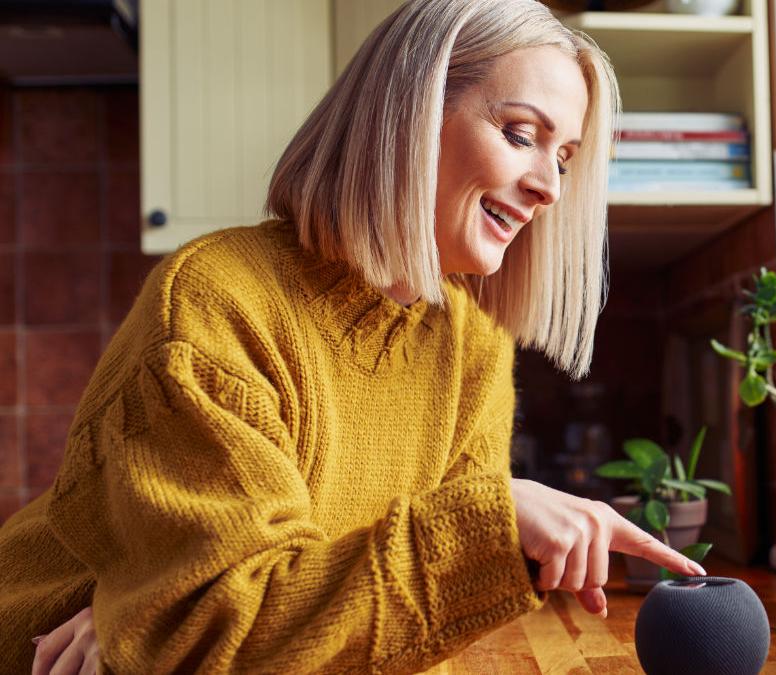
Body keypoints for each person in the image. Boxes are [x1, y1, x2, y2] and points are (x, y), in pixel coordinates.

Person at [0, 0, 707, 672]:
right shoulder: (219, 299)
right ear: (409, 114)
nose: (551, 187)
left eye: (563, 157)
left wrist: (152, 616)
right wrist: (161, 613)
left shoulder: (472, 348)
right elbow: (227, 628)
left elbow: (378, 626)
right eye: (521, 134)